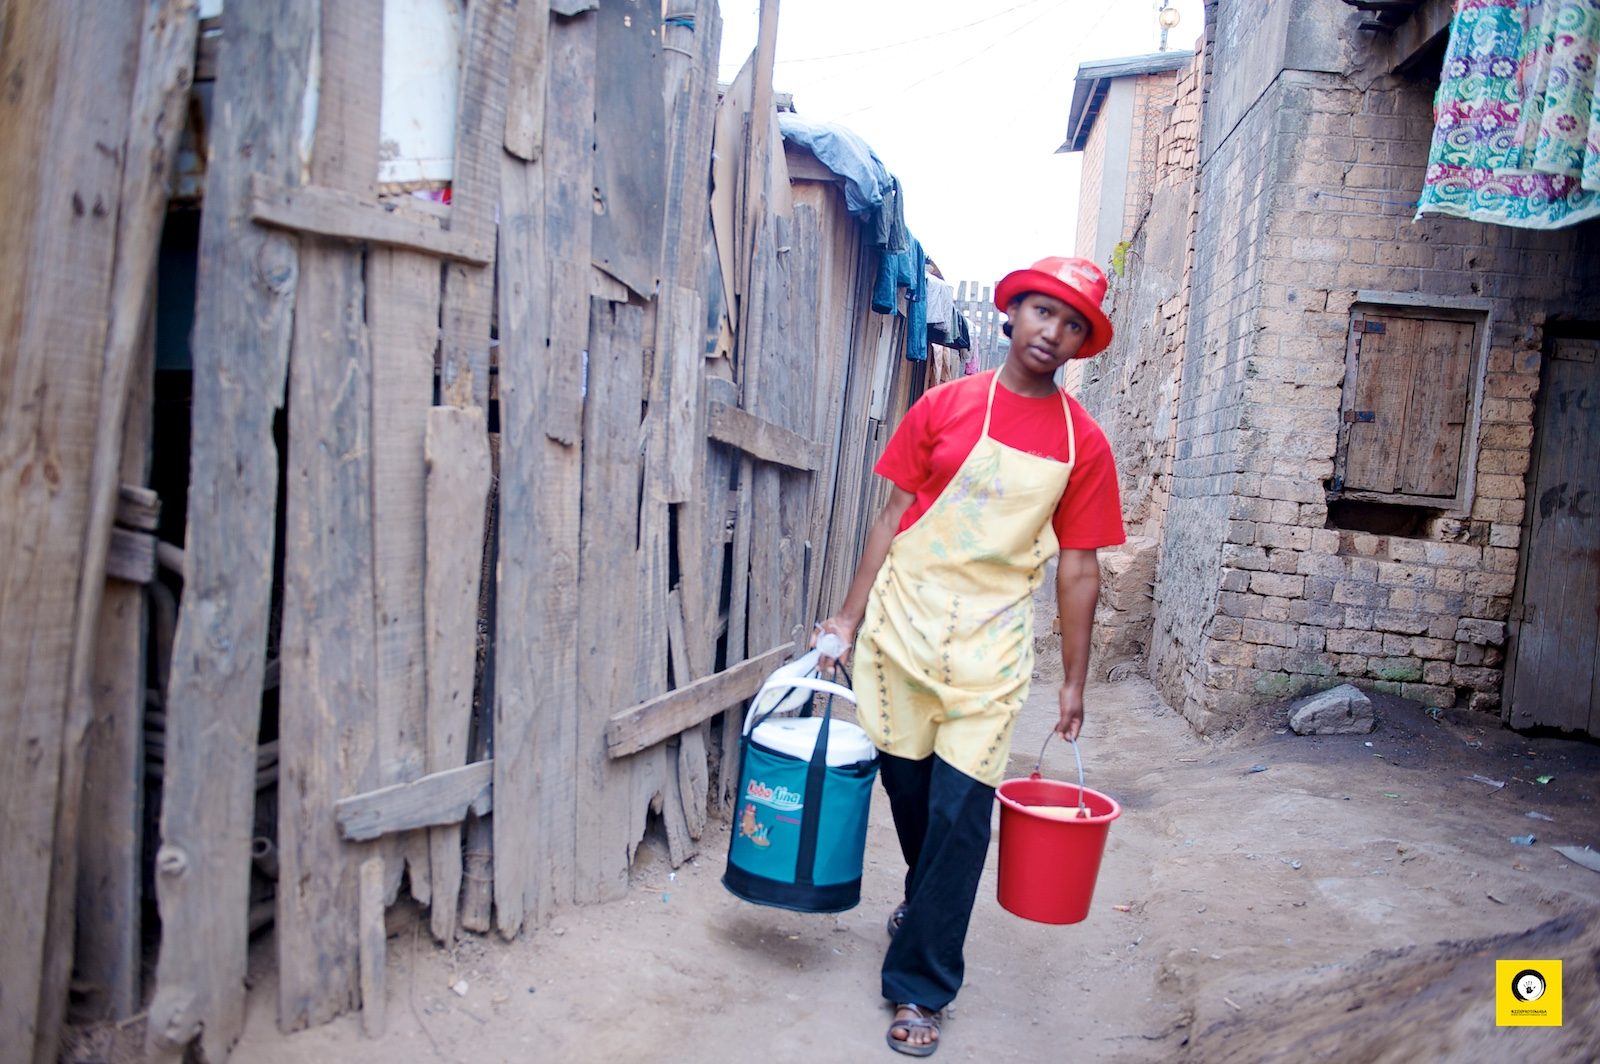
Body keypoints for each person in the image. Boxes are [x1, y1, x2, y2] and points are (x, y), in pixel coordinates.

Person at [814, 256, 1126, 1057]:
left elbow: (1080, 568)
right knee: (910, 792)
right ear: (1012, 313)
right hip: (904, 628)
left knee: (961, 817)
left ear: (1081, 342)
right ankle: (925, 904)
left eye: (1073, 325)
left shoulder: (1084, 445)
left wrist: (1074, 680)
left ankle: (921, 986)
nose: (1053, 333)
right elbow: (892, 514)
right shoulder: (945, 405)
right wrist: (847, 618)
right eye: (1043, 312)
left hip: (992, 646)